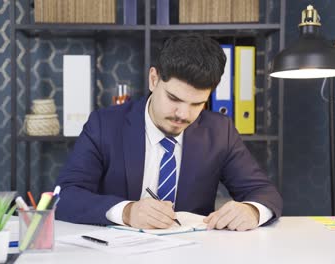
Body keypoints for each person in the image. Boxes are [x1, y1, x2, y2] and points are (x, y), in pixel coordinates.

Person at [55, 34, 282, 231]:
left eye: (197, 104)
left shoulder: (220, 131)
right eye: (174, 98)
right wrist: (126, 212)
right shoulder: (104, 125)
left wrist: (251, 210)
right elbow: (65, 196)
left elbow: (263, 191)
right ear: (154, 79)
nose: (183, 114)